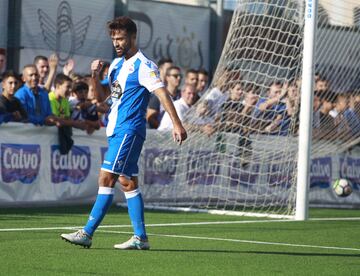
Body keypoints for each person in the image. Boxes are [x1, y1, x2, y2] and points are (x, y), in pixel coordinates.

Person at [61, 16, 187, 250]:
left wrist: (177, 124)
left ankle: (87, 233)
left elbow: (161, 94)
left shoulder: (144, 65)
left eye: (121, 38)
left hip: (129, 130)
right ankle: (140, 238)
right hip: (116, 130)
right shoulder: (117, 65)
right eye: (114, 39)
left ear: (132, 37)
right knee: (127, 182)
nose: (117, 43)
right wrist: (95, 77)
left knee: (105, 177)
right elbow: (102, 100)